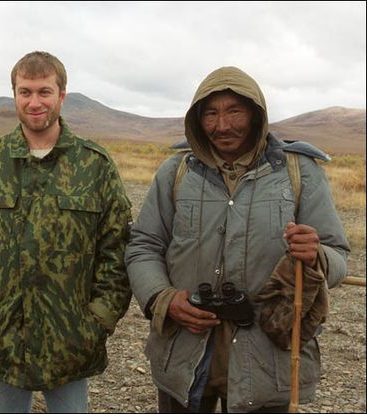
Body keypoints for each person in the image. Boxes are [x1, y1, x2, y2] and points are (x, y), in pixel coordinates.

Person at [126, 66, 350, 413]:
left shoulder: (299, 171)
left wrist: (316, 254)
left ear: (256, 114)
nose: (222, 125)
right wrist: (163, 298)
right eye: (211, 114)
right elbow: (144, 245)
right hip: (184, 354)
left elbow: (337, 256)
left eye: (235, 111)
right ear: (197, 119)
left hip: (267, 361)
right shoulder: (176, 171)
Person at [0, 51, 132, 413]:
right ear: (14, 95)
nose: (35, 103)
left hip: (70, 338)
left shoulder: (93, 165)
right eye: (25, 92)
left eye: (44, 92)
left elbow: (117, 248)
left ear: (61, 96)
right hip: (0, 334)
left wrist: (99, 317)